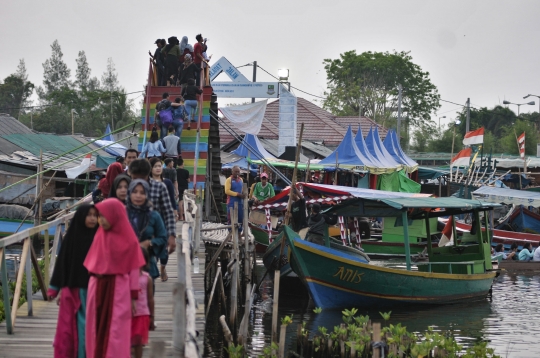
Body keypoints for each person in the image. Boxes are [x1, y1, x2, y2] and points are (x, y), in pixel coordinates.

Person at [84, 199, 146, 358]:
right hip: (97, 287)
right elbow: (94, 264)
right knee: (94, 327)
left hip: (118, 289)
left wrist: (133, 296)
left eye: (104, 216)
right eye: (100, 217)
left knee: (116, 329)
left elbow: (133, 269)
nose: (101, 220)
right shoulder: (99, 236)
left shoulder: (129, 239)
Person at [47, 204, 98, 358]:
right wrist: (55, 289)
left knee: (87, 329)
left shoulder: (99, 237)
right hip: (73, 290)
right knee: (68, 330)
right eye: (89, 215)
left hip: (93, 291)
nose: (92, 218)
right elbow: (63, 263)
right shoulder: (73, 238)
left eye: (95, 215)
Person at [129, 159, 177, 254]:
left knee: (151, 261)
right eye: (134, 178)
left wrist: (171, 235)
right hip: (131, 233)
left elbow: (168, 211)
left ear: (147, 174)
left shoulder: (159, 187)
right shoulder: (127, 187)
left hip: (154, 233)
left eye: (141, 178)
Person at [126, 179, 168, 281]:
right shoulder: (122, 213)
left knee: (146, 294)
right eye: (135, 192)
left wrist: (149, 243)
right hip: (125, 264)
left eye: (142, 192)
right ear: (129, 193)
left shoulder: (154, 216)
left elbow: (163, 237)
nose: (138, 196)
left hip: (147, 264)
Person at [131, 248, 155, 358]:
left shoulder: (147, 279)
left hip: (142, 314)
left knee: (138, 341)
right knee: (127, 341)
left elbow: (150, 299)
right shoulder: (127, 277)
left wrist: (152, 317)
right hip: (129, 314)